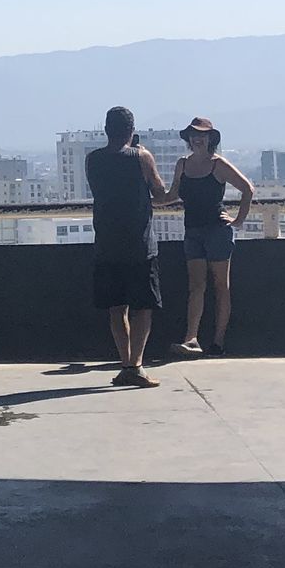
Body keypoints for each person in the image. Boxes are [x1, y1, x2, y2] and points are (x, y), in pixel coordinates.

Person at [84, 105, 166, 388]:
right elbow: (160, 193)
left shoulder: (93, 160)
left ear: (106, 130)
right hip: (140, 245)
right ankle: (136, 364)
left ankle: (125, 363)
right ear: (131, 131)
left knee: (116, 308)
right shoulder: (141, 157)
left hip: (107, 244)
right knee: (143, 307)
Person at [167, 118, 253, 357]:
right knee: (196, 286)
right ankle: (191, 338)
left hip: (217, 230)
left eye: (202, 135)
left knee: (220, 285)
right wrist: (149, 200)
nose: (197, 139)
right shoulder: (182, 164)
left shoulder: (218, 165)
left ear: (210, 139)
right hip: (192, 231)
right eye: (194, 135)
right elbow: (173, 194)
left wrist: (238, 220)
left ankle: (218, 341)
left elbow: (247, 189)